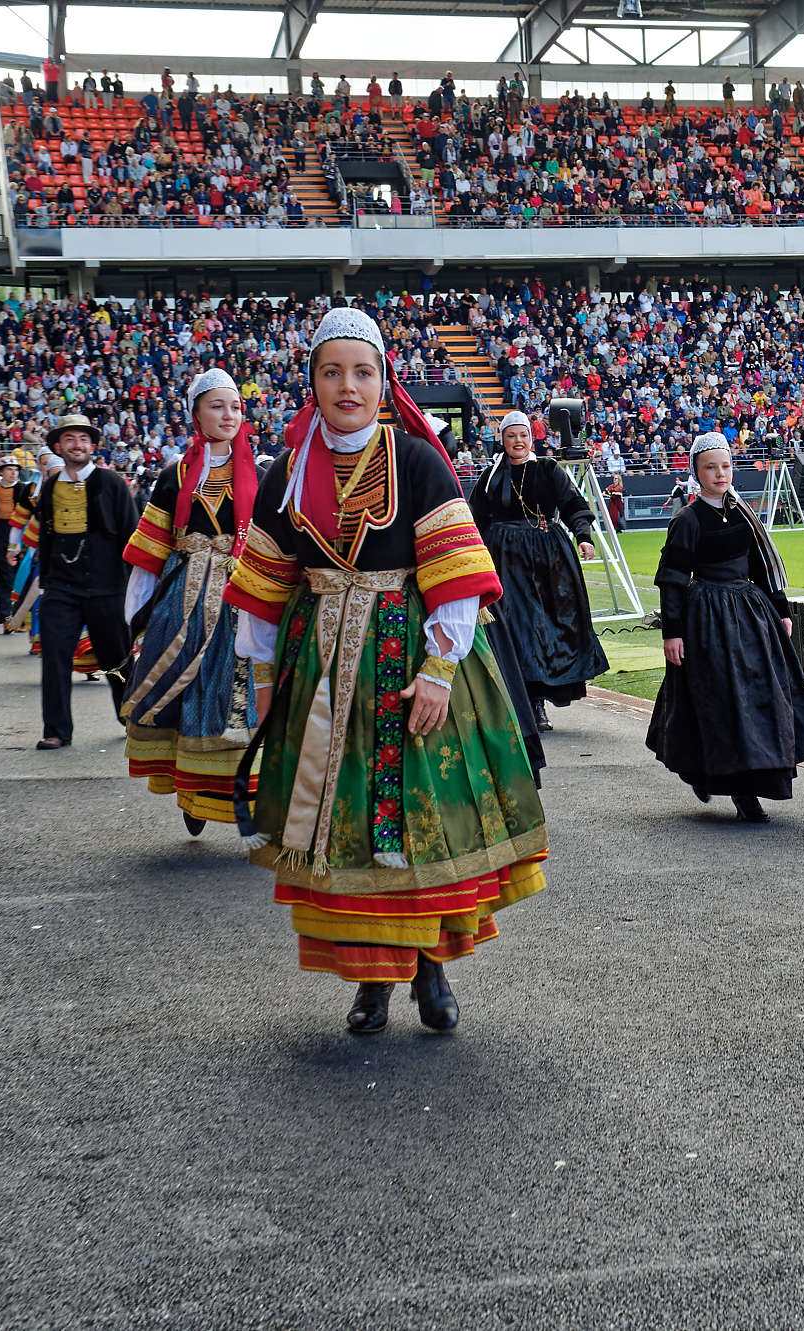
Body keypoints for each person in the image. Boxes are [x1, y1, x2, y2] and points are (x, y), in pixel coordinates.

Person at [223, 306, 546, 1036]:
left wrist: (438, 671)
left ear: (383, 382)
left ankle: (430, 968)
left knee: (416, 821)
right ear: (312, 381)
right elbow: (266, 590)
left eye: (363, 372)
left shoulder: (418, 462)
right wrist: (266, 686)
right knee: (341, 829)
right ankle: (371, 981)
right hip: (318, 672)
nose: (349, 386)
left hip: (407, 662)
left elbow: (455, 576)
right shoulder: (286, 473)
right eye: (333, 372)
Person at [646, 432, 804, 824]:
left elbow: (761, 567)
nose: (720, 474)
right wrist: (672, 632)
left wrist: (781, 610)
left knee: (760, 699)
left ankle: (751, 781)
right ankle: (727, 783)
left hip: (751, 617)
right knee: (718, 701)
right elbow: (672, 578)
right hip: (707, 620)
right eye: (711, 467)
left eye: (725, 466)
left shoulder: (744, 513)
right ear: (697, 472)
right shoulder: (687, 520)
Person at [121, 369, 262, 837]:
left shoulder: (261, 476)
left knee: (238, 698)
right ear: (196, 414)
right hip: (183, 600)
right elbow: (151, 549)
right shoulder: (175, 475)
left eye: (235, 406)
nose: (229, 415)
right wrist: (136, 614)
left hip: (240, 597)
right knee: (184, 692)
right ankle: (194, 793)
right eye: (217, 406)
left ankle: (246, 794)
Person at [468, 410, 608, 733]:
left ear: (531, 439)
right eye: (511, 436)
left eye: (523, 435)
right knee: (517, 628)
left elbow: (573, 504)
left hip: (549, 560)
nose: (518, 441)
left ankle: (539, 701)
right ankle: (526, 704)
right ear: (502, 440)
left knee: (550, 627)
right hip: (505, 560)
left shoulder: (548, 469)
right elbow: (474, 519)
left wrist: (583, 536)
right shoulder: (490, 477)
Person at [15, 414, 138, 750]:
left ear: (93, 446)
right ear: (58, 446)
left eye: (83, 439)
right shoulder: (50, 488)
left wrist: (133, 589)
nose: (77, 445)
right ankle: (56, 730)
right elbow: (46, 538)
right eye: (69, 439)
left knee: (117, 659)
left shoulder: (113, 484)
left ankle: (131, 719)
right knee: (54, 657)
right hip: (61, 588)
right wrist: (46, 583)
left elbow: (132, 536)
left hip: (107, 588)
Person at [0, 459, 27, 621]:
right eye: (9, 469)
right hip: (0, 532)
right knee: (4, 574)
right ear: (1, 472)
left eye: (16, 470)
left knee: (20, 573)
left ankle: (18, 613)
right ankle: (3, 614)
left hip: (20, 530)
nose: (13, 473)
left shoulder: (22, 489)